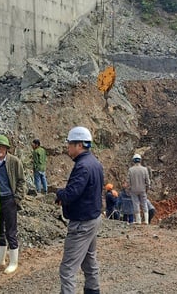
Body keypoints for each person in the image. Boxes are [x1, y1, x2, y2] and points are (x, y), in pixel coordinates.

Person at [55, 126, 103, 294]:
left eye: (69, 144)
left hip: (82, 223)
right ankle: (93, 290)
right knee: (89, 261)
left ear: (79, 145)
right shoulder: (95, 162)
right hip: (93, 219)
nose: (68, 147)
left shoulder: (82, 166)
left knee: (67, 269)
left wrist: (59, 193)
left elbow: (71, 194)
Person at [0, 134, 26, 274]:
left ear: (6, 149)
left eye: (1, 146)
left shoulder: (14, 162)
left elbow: (21, 181)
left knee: (11, 231)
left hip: (9, 199)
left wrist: (17, 198)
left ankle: (14, 261)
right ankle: (0, 259)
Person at [128, 153, 151, 224]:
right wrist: (148, 188)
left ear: (133, 161)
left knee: (136, 204)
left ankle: (138, 221)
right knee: (144, 204)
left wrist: (128, 189)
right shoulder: (144, 169)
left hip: (134, 190)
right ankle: (146, 221)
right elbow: (148, 180)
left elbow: (128, 181)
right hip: (142, 189)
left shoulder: (131, 170)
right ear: (140, 160)